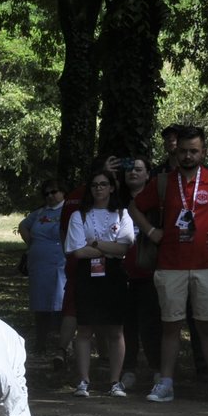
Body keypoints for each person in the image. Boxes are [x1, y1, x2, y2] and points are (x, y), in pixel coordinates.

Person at [132, 126, 208, 405]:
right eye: (183, 150)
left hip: (207, 265)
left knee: (206, 326)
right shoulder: (163, 182)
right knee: (170, 326)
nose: (188, 156)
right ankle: (166, 383)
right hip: (170, 264)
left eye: (193, 151)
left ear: (203, 151)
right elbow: (133, 206)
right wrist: (150, 232)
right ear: (176, 150)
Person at [65, 169, 139, 396]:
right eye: (95, 184)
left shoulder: (121, 214)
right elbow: (77, 251)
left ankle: (114, 382)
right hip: (87, 274)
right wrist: (109, 247)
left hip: (114, 274)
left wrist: (95, 242)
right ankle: (84, 381)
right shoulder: (80, 216)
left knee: (115, 329)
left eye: (103, 184)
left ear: (112, 187)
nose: (99, 188)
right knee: (84, 328)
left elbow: (124, 247)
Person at [119, 156, 161, 390]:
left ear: (148, 175)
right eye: (129, 170)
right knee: (127, 324)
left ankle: (158, 369)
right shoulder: (117, 202)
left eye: (138, 169)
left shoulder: (157, 205)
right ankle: (128, 370)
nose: (133, 173)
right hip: (122, 272)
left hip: (150, 272)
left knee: (152, 324)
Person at [17, 182, 67, 360]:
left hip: (58, 262)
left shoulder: (68, 211)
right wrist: (32, 243)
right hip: (39, 264)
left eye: (54, 192)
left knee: (60, 301)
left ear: (62, 192)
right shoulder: (40, 212)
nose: (50, 196)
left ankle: (61, 343)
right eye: (46, 193)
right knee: (40, 301)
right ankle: (41, 341)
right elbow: (23, 225)